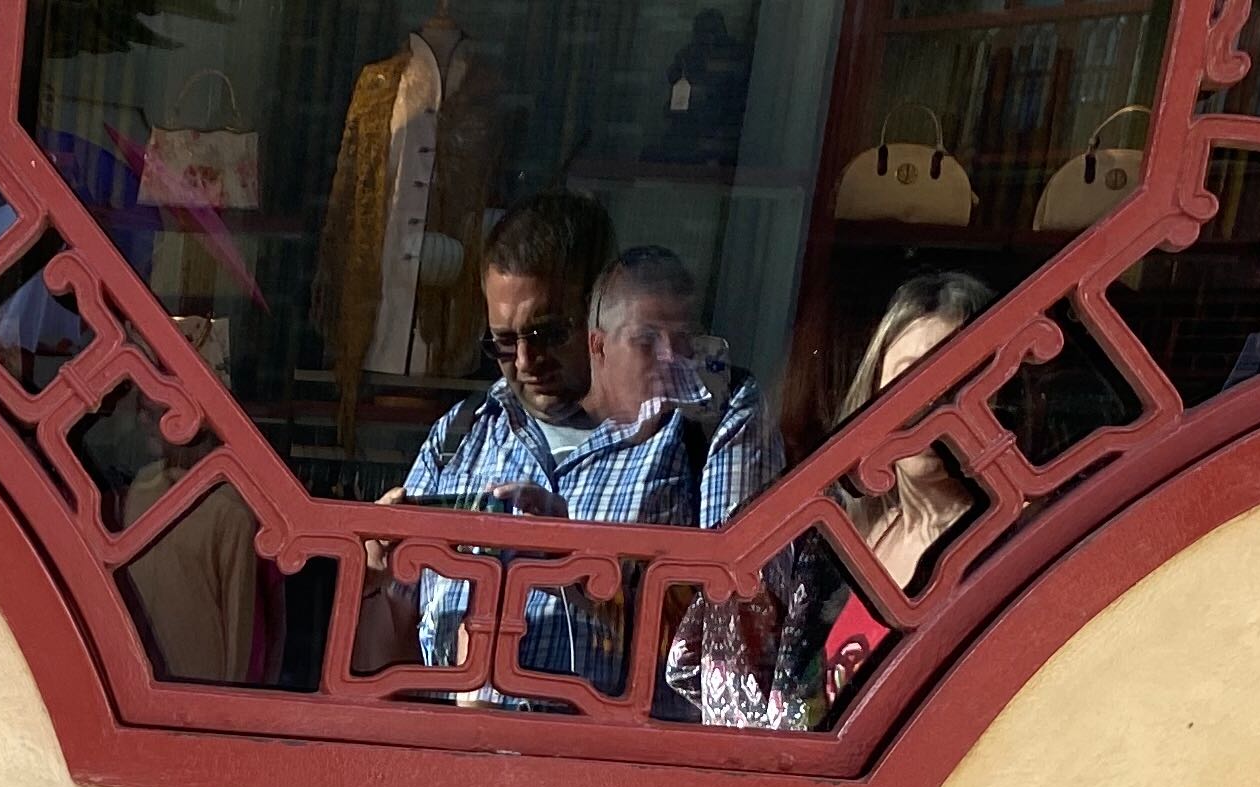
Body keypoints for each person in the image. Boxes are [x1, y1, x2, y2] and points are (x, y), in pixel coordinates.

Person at [388, 240, 783, 695]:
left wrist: (577, 565)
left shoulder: (698, 422)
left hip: (602, 736)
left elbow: (736, 631)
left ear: (589, 324)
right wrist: (375, 579)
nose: (525, 360)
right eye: (504, 342)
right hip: (452, 733)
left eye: (546, 333)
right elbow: (393, 633)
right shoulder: (464, 431)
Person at [765, 271, 994, 727]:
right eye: (909, 377)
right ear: (875, 393)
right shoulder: (857, 533)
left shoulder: (1007, 544)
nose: (930, 404)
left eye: (956, 380)